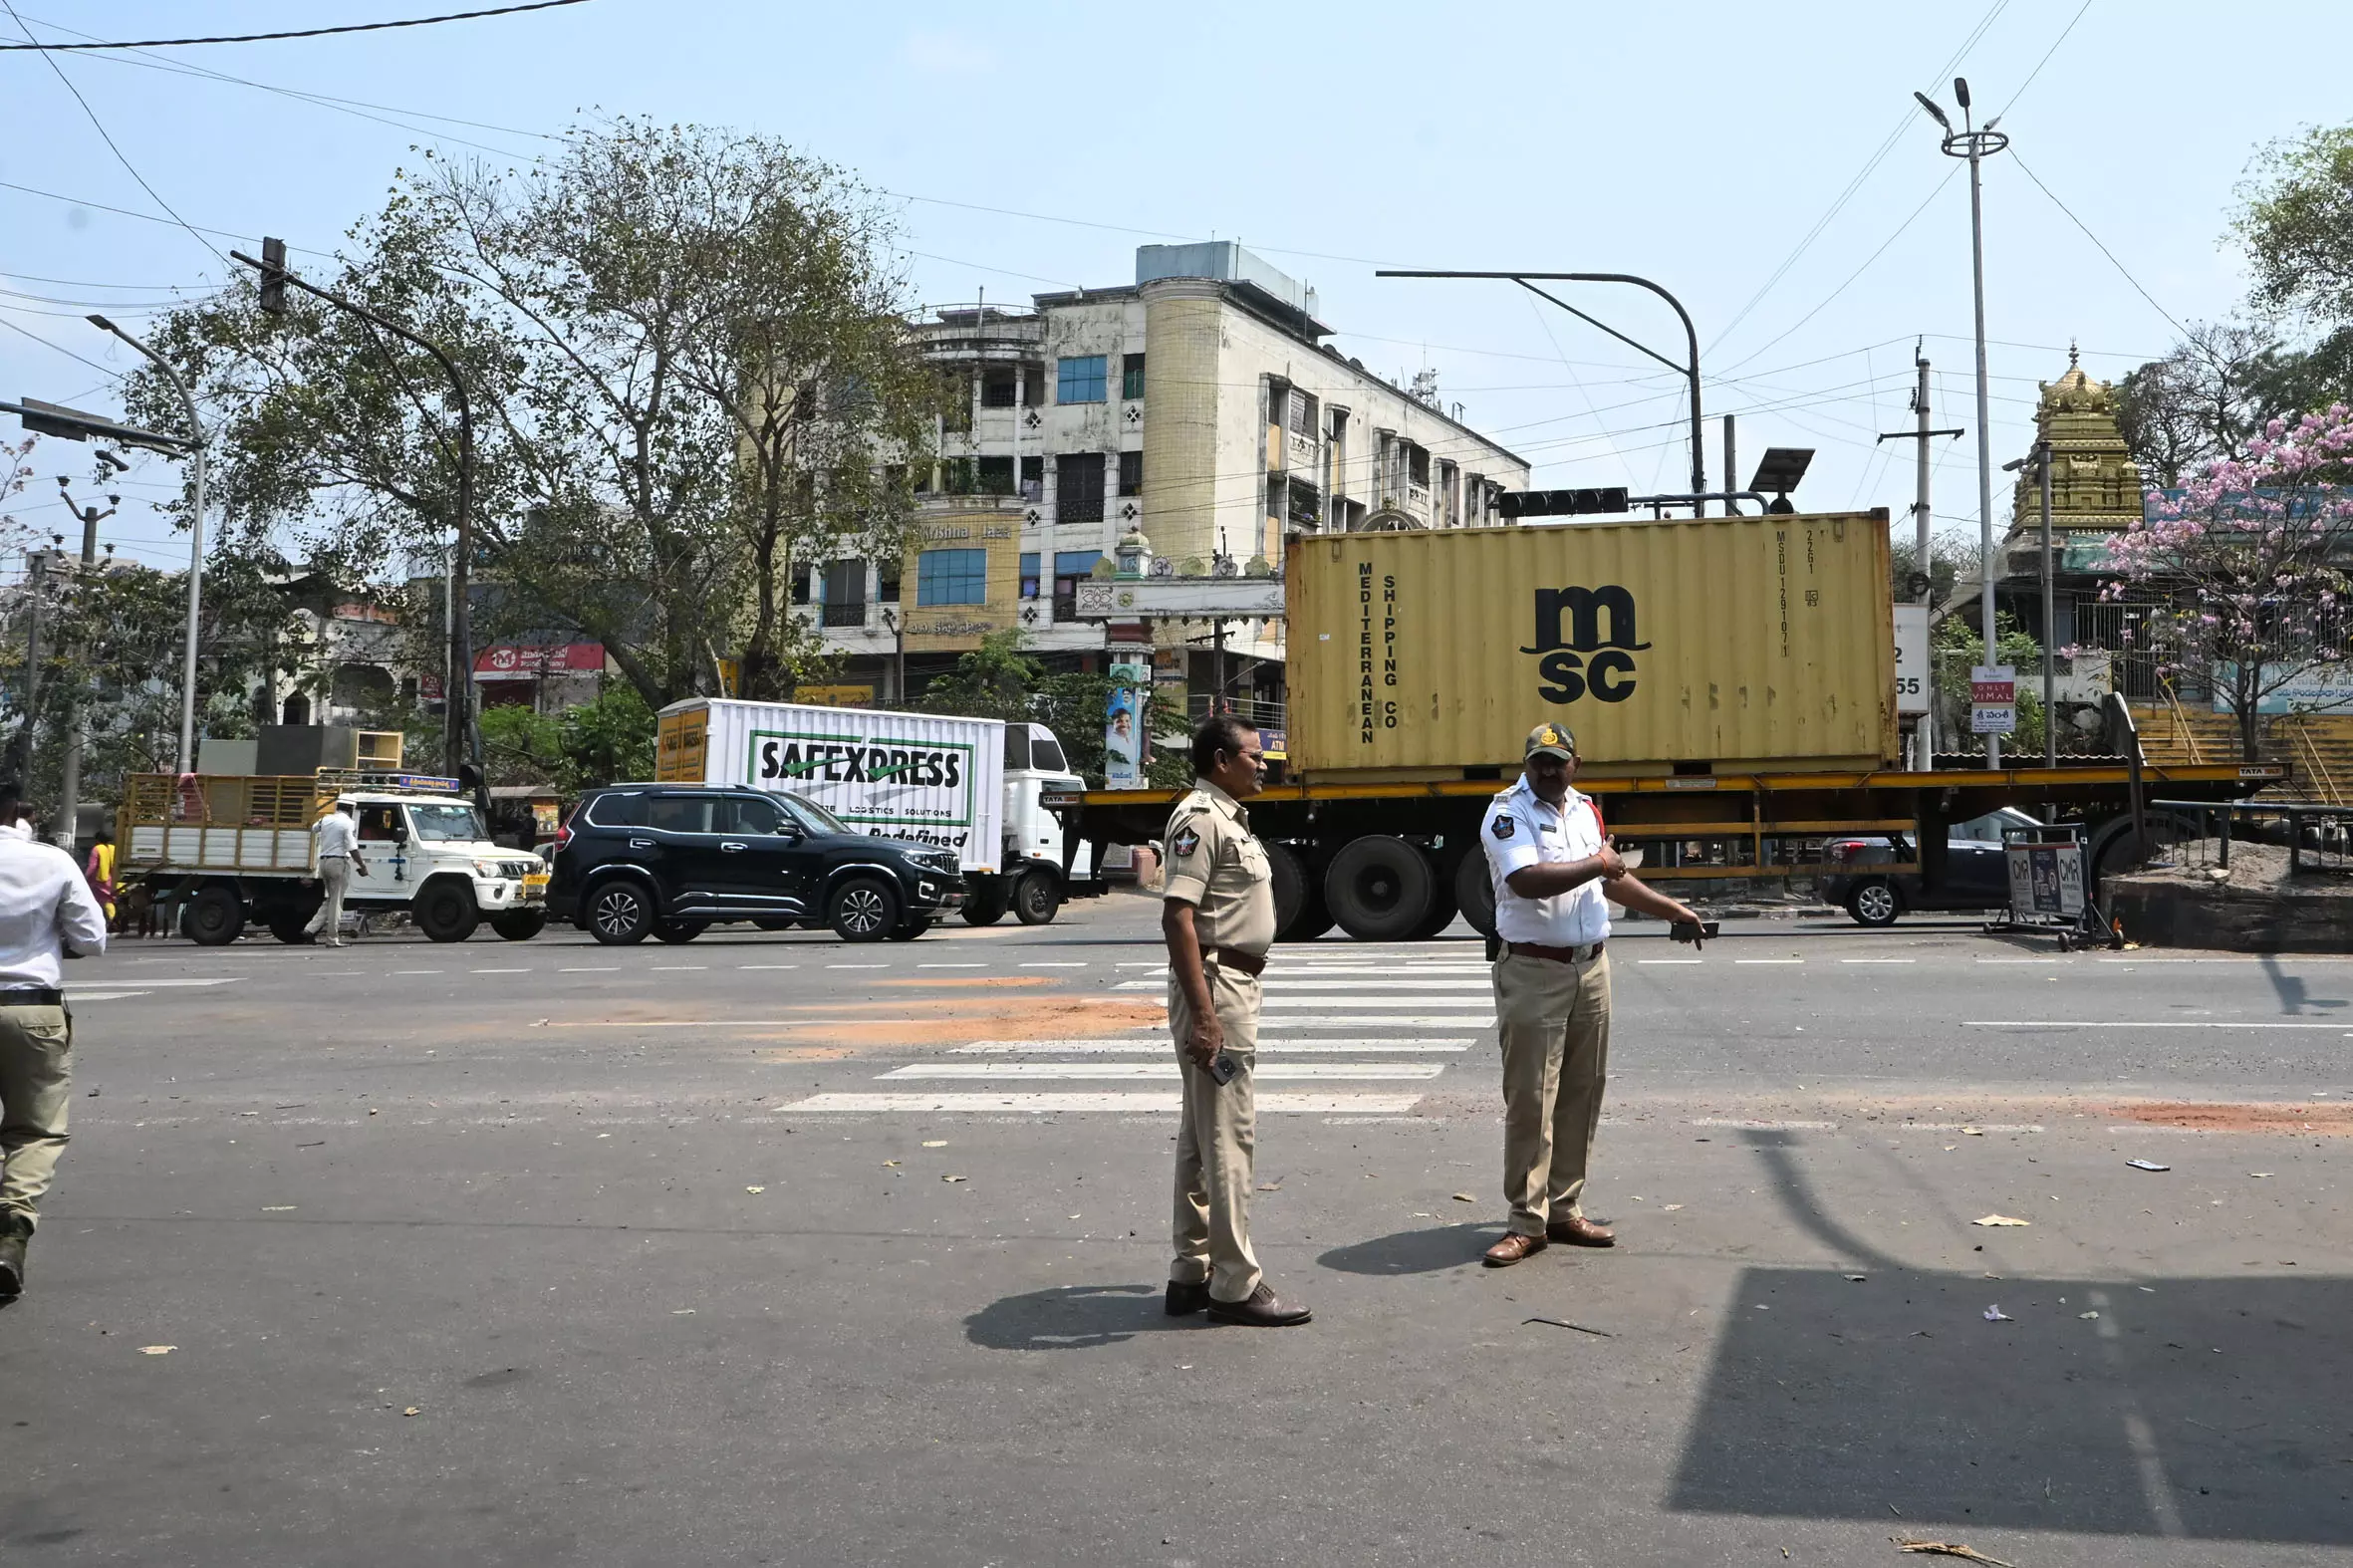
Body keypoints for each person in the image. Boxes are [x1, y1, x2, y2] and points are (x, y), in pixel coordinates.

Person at [1478, 723, 1707, 1267]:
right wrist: (1601, 863)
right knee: (1532, 1099)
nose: (1548, 771)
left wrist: (1671, 909)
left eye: (1558, 761)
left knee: (1583, 1092)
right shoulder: (1507, 812)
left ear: (1575, 763)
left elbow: (1610, 879)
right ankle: (1525, 1221)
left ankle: (1563, 1208)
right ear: (1526, 763)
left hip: (1591, 967)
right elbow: (1527, 880)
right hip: (1534, 969)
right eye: (1539, 761)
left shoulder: (1586, 810)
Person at [1159, 713, 1309, 1327]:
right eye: (1253, 754)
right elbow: (1177, 919)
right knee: (1230, 1139)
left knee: (1202, 1137)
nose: (1263, 763)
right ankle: (1235, 1285)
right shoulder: (1200, 819)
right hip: (1219, 990)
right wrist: (1205, 1017)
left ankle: (1191, 1273)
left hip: (1229, 984)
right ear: (1222, 760)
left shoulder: (1227, 818)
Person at [0, 780, 110, 1301]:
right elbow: (92, 938)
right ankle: (10, 1236)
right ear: (16, 811)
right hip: (32, 1012)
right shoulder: (51, 862)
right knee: (35, 1131)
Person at [302, 798, 369, 947]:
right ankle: (332, 939)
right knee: (336, 902)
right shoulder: (348, 823)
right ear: (351, 809)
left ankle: (310, 929)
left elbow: (313, 828)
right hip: (338, 862)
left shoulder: (325, 819)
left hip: (324, 862)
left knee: (331, 899)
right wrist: (362, 865)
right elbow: (352, 847)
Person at [83, 828, 117, 926]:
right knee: (108, 900)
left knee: (103, 901)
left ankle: (110, 921)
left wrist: (85, 877)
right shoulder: (113, 848)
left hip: (99, 880)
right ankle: (108, 920)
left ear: (97, 839)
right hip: (112, 879)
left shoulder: (96, 849)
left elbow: (92, 866)